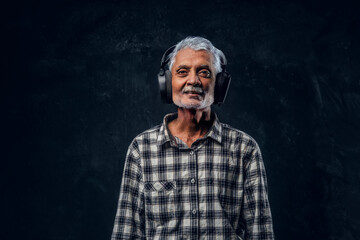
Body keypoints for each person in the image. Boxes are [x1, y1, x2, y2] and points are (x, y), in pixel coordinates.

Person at [111, 36, 274, 239]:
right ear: (168, 82)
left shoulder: (245, 149)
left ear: (220, 85)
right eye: (182, 72)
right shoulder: (141, 148)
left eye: (204, 73)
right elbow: (126, 233)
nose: (193, 80)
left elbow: (261, 233)